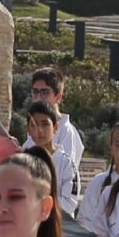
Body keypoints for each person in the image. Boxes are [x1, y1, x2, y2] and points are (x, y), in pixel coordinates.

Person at [21, 67, 81, 203]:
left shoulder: (66, 132)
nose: (38, 98)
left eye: (44, 92)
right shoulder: (33, 127)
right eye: (35, 92)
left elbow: (65, 178)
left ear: (58, 96)